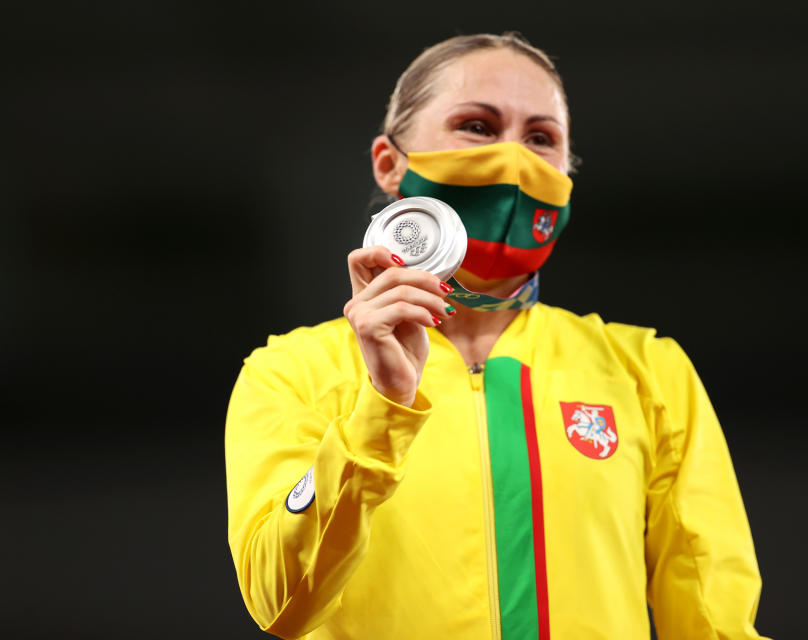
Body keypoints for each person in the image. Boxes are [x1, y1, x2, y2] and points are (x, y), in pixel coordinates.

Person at [225, 32, 770, 640]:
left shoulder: (647, 371)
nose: (514, 161)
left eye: (541, 138)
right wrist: (380, 411)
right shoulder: (290, 371)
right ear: (390, 163)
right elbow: (280, 602)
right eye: (478, 126)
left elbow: (713, 620)